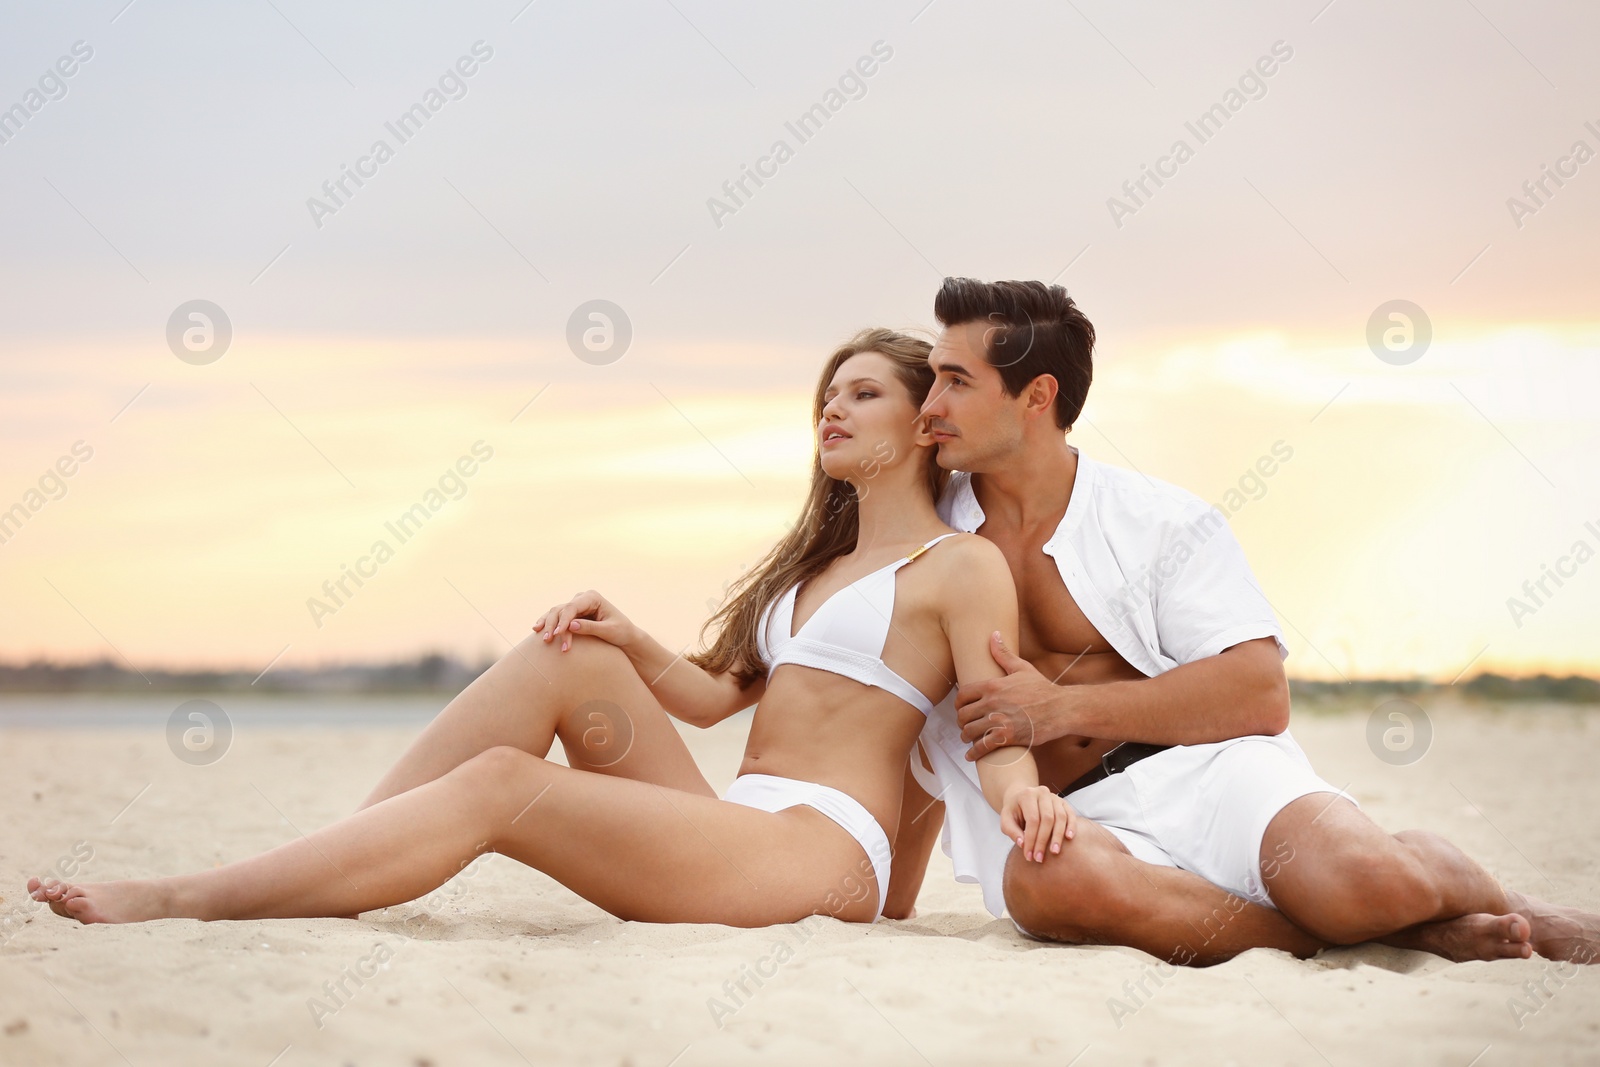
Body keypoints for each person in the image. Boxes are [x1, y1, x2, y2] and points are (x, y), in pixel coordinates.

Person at [28, 328, 1076, 929]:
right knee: (560, 652)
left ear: (921, 426)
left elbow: (994, 724)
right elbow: (716, 696)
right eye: (824, 397)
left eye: (862, 393)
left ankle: (189, 893)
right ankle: (329, 865)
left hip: (815, 854)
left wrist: (1025, 803)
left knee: (500, 784)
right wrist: (628, 633)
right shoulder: (817, 563)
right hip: (737, 823)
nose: (830, 413)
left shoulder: (959, 565)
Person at [886, 277, 1600, 967]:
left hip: (1215, 773)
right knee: (1046, 885)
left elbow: (1259, 691)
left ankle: (1510, 903)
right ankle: (1390, 938)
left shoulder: (1161, 519)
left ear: (1037, 395)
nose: (931, 405)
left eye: (956, 380)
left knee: (1371, 883)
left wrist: (1058, 706)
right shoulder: (924, 535)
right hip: (1079, 817)